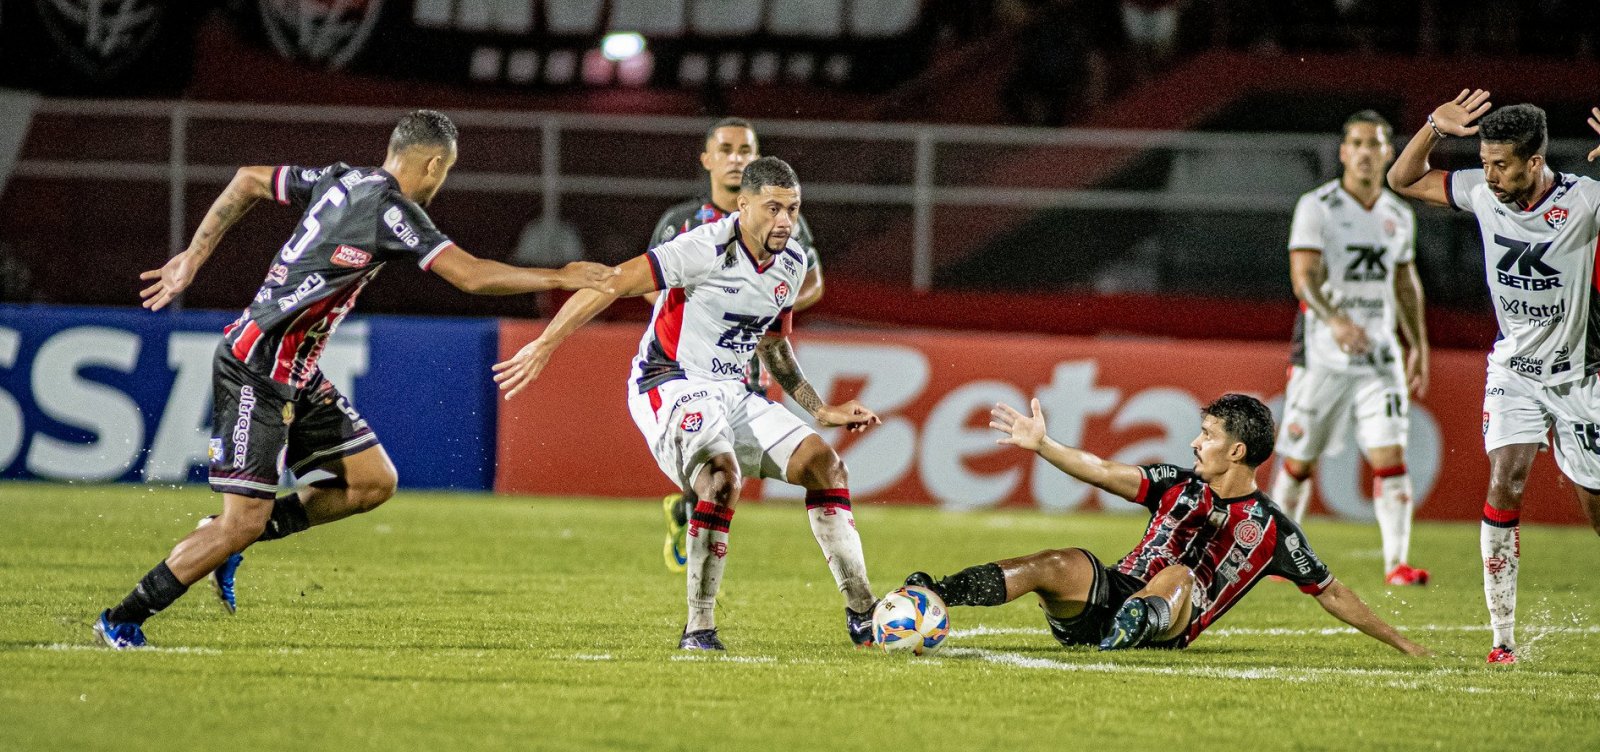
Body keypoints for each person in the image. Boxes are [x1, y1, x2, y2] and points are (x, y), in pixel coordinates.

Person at [94, 110, 618, 649]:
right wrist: (560, 275)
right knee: (240, 522)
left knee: (371, 482)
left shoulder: (341, 178)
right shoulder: (391, 209)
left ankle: (227, 538)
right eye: (446, 171)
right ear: (435, 163)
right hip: (258, 366)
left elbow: (249, 178)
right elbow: (470, 275)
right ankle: (123, 617)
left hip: (297, 369)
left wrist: (192, 259)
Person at [495, 157, 879, 651]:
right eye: (773, 208)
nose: (785, 220)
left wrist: (818, 408)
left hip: (733, 389)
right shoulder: (702, 248)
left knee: (826, 466)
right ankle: (699, 627)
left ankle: (864, 612)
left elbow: (772, 344)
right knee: (721, 478)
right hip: (669, 381)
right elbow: (612, 282)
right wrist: (546, 343)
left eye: (793, 209)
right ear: (743, 206)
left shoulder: (792, 263)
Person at [905, 394, 1431, 656]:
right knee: (1058, 562)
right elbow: (1104, 471)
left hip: (1171, 619)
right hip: (1110, 594)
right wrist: (1043, 445)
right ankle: (937, 594)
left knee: (1179, 575)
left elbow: (1332, 592)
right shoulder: (1174, 482)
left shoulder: (1274, 532)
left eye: (1206, 435)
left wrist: (1404, 643)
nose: (1195, 443)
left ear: (1237, 450)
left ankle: (1131, 631)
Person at [1388, 91, 1600, 664]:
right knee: (1505, 479)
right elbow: (1403, 179)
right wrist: (1433, 127)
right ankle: (1502, 639)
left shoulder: (1585, 201)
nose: (1489, 173)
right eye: (1484, 162)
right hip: (1514, 371)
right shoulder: (1483, 194)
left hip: (1582, 377)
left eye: (1500, 164)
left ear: (1535, 162)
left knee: (1595, 503)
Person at [649, 117, 826, 573]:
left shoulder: (787, 221)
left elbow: (812, 282)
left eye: (745, 150)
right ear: (707, 159)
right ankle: (689, 511)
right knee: (710, 446)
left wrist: (763, 307)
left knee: (732, 454)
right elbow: (651, 286)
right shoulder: (682, 222)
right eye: (725, 149)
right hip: (690, 356)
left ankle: (688, 507)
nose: (735, 158)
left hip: (748, 352)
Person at [1268, 110, 1431, 587]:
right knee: (1298, 461)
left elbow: (1405, 282)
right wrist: (1334, 319)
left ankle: (1397, 563)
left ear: (1387, 152)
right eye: (1356, 143)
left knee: (1391, 456)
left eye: (1374, 143)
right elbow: (1303, 276)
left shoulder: (1398, 215)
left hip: (1379, 357)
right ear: (1343, 152)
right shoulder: (1317, 206)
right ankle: (1274, 556)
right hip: (1323, 356)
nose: (1364, 152)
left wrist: (1417, 341)